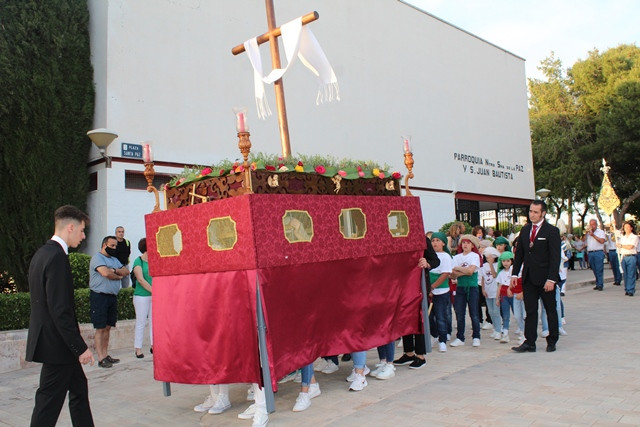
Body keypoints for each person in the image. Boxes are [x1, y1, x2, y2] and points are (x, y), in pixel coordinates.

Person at [26, 205, 95, 426]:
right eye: (82, 231)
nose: (83, 236)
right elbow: (59, 309)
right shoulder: (56, 256)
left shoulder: (42, 253)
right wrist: (80, 347)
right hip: (58, 345)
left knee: (78, 391)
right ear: (71, 227)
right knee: (48, 401)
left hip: (55, 342)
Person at [511, 200, 561, 353]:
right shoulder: (525, 230)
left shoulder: (551, 231)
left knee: (550, 310)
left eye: (535, 212)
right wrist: (515, 273)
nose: (532, 214)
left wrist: (551, 279)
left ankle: (552, 340)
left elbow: (555, 257)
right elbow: (519, 254)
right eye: (531, 211)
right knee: (530, 311)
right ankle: (530, 342)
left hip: (546, 279)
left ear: (543, 213)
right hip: (529, 278)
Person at [394, 234, 440, 367]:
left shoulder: (421, 239)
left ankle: (421, 355)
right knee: (405, 318)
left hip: (418, 286)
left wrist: (427, 263)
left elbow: (435, 260)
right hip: (402, 286)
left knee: (418, 319)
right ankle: (408, 353)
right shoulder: (397, 238)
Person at [89, 236, 129, 368]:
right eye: (112, 246)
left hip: (112, 297)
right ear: (104, 245)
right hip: (99, 296)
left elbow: (126, 271)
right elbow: (105, 273)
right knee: (100, 328)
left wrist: (115, 271)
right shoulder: (97, 258)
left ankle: (106, 354)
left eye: (115, 246)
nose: (114, 248)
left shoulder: (114, 260)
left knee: (108, 327)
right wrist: (116, 275)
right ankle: (101, 358)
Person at [449, 234, 482, 347]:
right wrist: (463, 270)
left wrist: (459, 269)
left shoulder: (474, 256)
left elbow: (471, 271)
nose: (465, 245)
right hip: (460, 287)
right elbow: (452, 275)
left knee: (474, 313)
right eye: (463, 243)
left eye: (468, 243)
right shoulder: (457, 257)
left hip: (472, 287)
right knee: (460, 313)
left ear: (472, 245)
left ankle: (476, 336)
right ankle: (460, 337)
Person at [132, 238, 153, 358]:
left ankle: (153, 345)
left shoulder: (154, 261)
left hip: (153, 296)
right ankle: (138, 348)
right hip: (141, 296)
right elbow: (140, 279)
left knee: (154, 321)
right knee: (141, 321)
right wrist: (154, 291)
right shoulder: (138, 261)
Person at [613, 218, 639, 296]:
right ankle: (627, 289)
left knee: (631, 274)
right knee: (625, 274)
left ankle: (631, 289)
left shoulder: (634, 237)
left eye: (628, 227)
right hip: (623, 257)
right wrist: (614, 224)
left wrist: (621, 245)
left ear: (631, 228)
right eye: (625, 227)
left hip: (631, 256)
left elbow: (630, 247)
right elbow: (615, 232)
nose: (626, 229)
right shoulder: (623, 237)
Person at [585, 219, 606, 290]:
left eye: (593, 224)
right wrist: (585, 234)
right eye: (590, 225)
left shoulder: (601, 232)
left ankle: (600, 284)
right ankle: (598, 283)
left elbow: (602, 241)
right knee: (593, 269)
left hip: (598, 252)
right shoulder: (588, 233)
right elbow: (583, 240)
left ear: (596, 225)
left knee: (599, 269)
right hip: (590, 253)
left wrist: (593, 235)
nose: (592, 226)